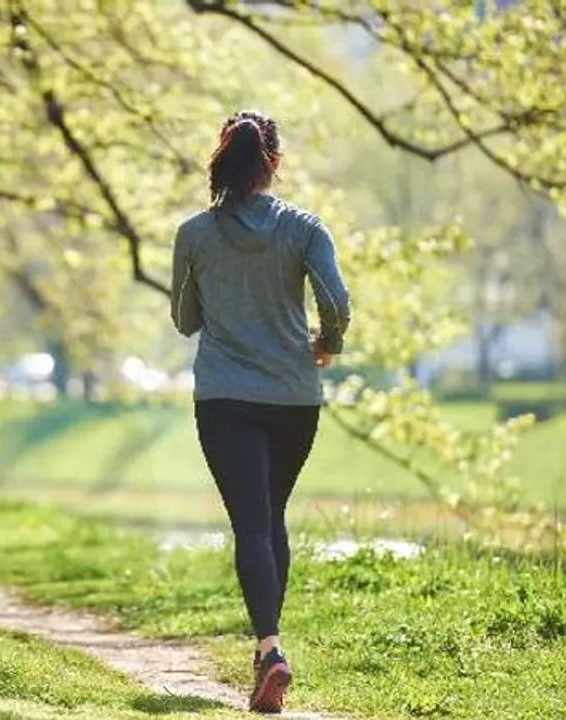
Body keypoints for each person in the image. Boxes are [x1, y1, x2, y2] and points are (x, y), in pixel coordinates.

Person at [170, 109, 350, 714]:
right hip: (294, 396)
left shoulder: (194, 233)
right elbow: (337, 301)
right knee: (271, 516)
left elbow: (185, 320)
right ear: (273, 164)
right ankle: (267, 651)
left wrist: (213, 284)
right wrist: (326, 345)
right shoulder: (304, 228)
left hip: (224, 395)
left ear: (221, 162)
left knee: (251, 521)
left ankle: (270, 650)